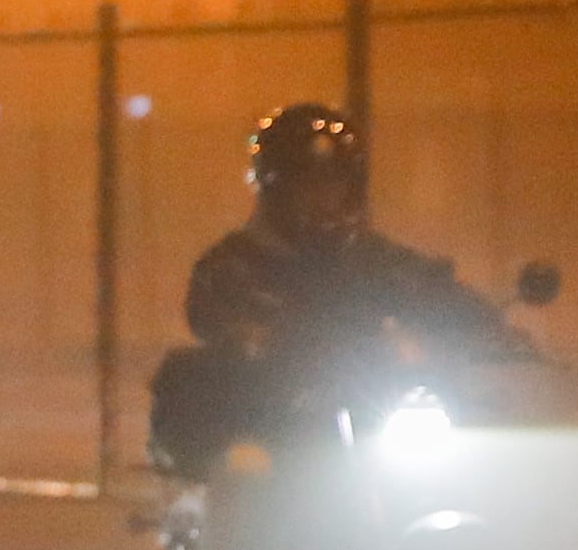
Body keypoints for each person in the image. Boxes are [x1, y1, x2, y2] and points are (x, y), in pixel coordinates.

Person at [148, 102, 521, 477]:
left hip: (366, 416)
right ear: (276, 188)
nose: (324, 197)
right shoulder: (231, 264)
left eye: (334, 184)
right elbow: (220, 313)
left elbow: (425, 285)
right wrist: (265, 336)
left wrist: (489, 325)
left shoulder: (369, 257)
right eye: (308, 185)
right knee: (241, 470)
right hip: (268, 426)